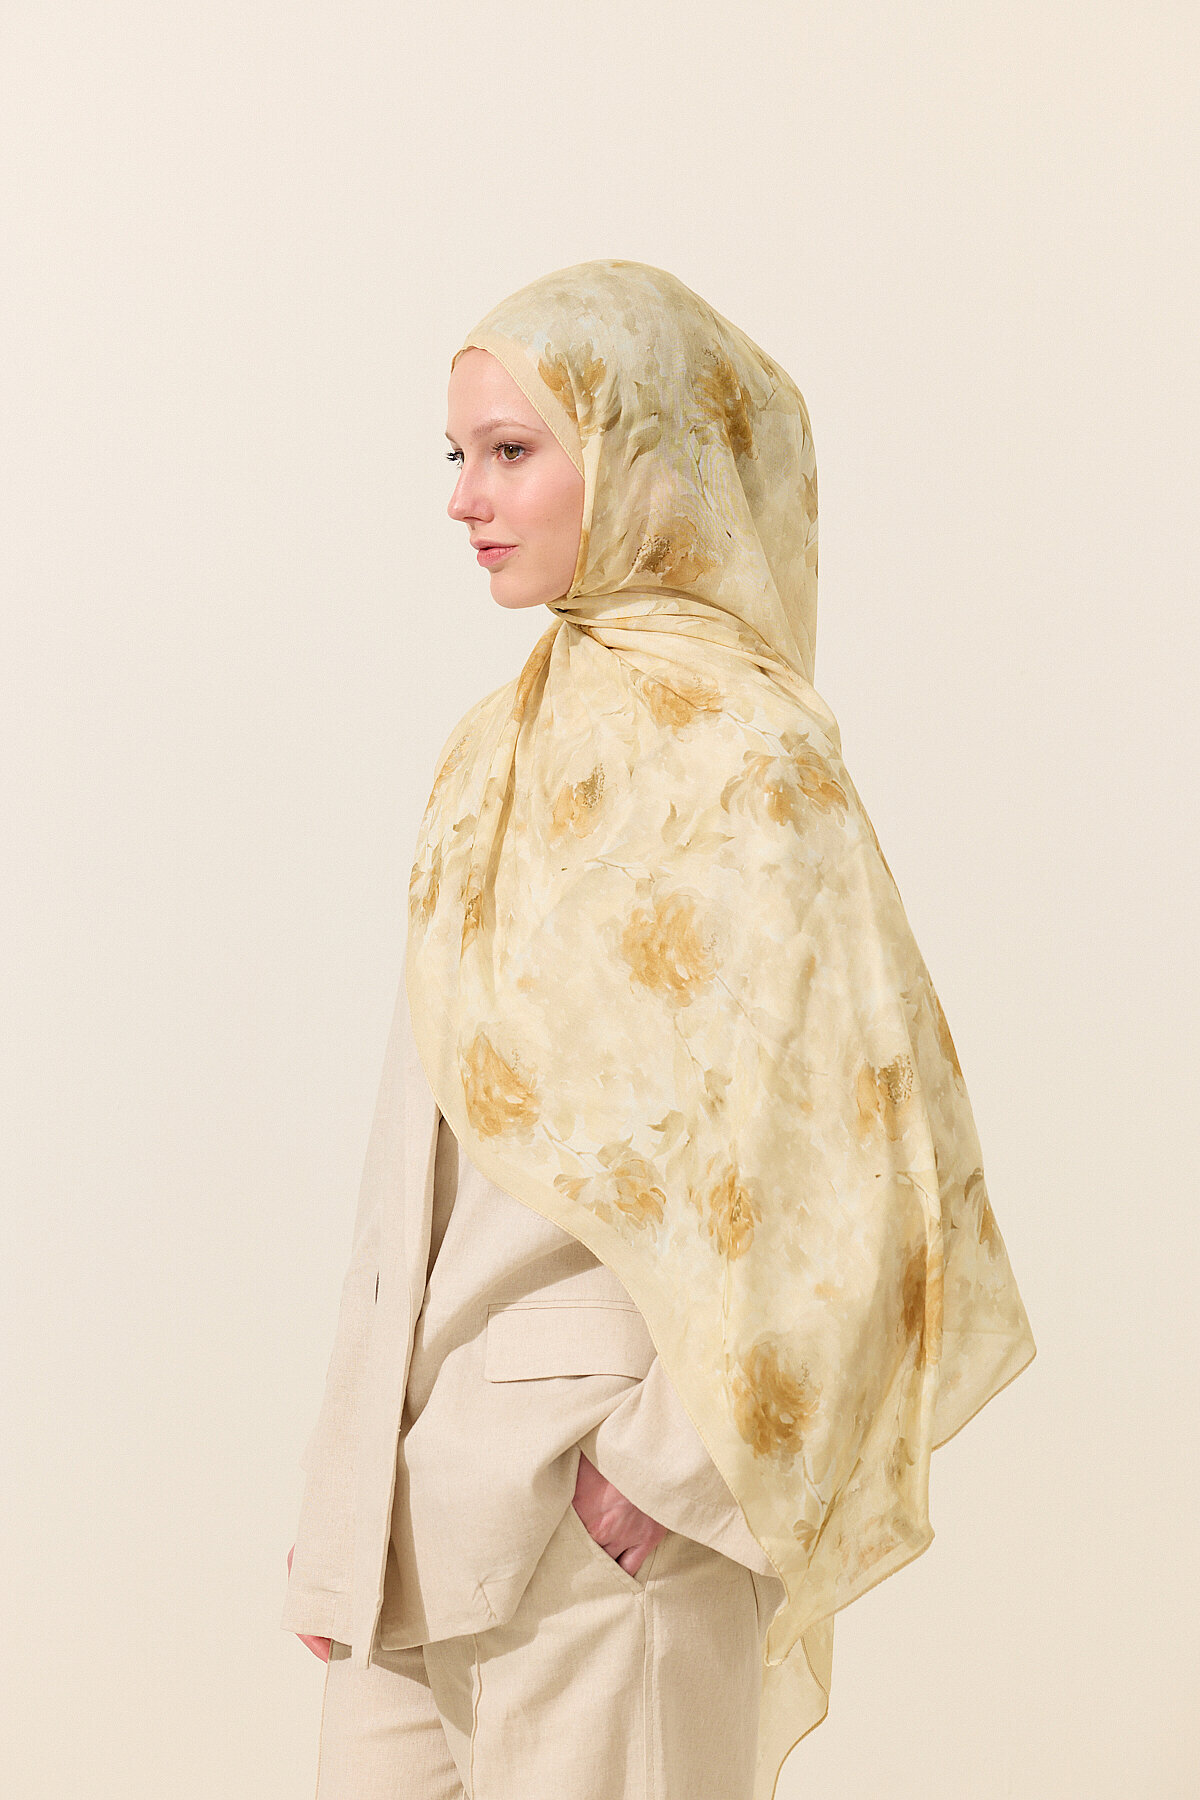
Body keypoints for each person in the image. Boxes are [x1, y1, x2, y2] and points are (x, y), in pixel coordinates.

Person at [282, 259, 1037, 1800]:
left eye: (512, 451)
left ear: (641, 459)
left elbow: (852, 1163)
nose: (465, 498)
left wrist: (661, 1479)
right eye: (457, 453)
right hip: (419, 1521)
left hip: (603, 1531)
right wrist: (348, 1501)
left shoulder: (753, 759)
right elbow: (420, 1160)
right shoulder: (492, 748)